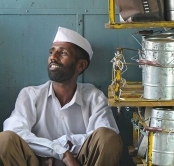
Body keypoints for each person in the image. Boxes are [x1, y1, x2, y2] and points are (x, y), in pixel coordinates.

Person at [0, 27, 123, 166]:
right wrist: (61, 152)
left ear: (81, 65)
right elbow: (15, 131)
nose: (53, 57)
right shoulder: (29, 95)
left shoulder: (95, 98)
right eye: (51, 52)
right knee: (4, 139)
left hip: (79, 163)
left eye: (62, 53)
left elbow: (107, 136)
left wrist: (60, 145)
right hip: (37, 163)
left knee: (107, 138)